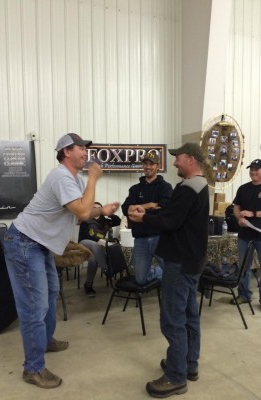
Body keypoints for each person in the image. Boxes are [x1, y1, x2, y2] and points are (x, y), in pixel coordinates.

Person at [3, 133, 119, 389]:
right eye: (81, 148)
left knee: (51, 292)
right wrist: (94, 179)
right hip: (24, 243)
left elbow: (81, 214)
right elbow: (81, 211)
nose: (86, 153)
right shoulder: (62, 177)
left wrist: (103, 210)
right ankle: (33, 369)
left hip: (38, 244)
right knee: (34, 306)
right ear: (67, 151)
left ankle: (45, 340)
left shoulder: (73, 180)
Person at [129, 143, 209, 398]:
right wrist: (150, 212)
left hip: (178, 261)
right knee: (189, 315)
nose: (174, 163)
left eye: (179, 158)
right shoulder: (199, 185)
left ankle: (176, 377)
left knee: (172, 320)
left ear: (192, 160)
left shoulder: (187, 189)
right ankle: (188, 364)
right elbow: (175, 214)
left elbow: (171, 221)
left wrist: (144, 218)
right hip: (192, 260)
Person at [121, 151, 172, 284]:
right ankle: (157, 272)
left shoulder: (165, 187)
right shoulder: (135, 189)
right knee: (140, 279)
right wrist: (150, 205)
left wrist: (142, 208)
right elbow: (126, 208)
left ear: (158, 166)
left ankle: (168, 280)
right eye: (145, 164)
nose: (148, 167)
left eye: (151, 164)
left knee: (171, 271)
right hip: (140, 240)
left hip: (160, 238)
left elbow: (165, 208)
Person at [231, 158, 261, 313]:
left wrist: (253, 213)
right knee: (244, 268)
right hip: (245, 235)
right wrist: (239, 218)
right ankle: (244, 295)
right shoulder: (243, 189)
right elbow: (236, 207)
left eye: (257, 169)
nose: (253, 172)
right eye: (251, 169)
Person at [78, 201, 121, 297]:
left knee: (93, 259)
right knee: (94, 244)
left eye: (99, 208)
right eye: (94, 207)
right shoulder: (86, 219)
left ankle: (88, 285)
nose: (96, 209)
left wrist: (110, 213)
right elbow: (85, 235)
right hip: (84, 244)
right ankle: (108, 271)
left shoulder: (105, 220)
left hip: (98, 247)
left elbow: (118, 221)